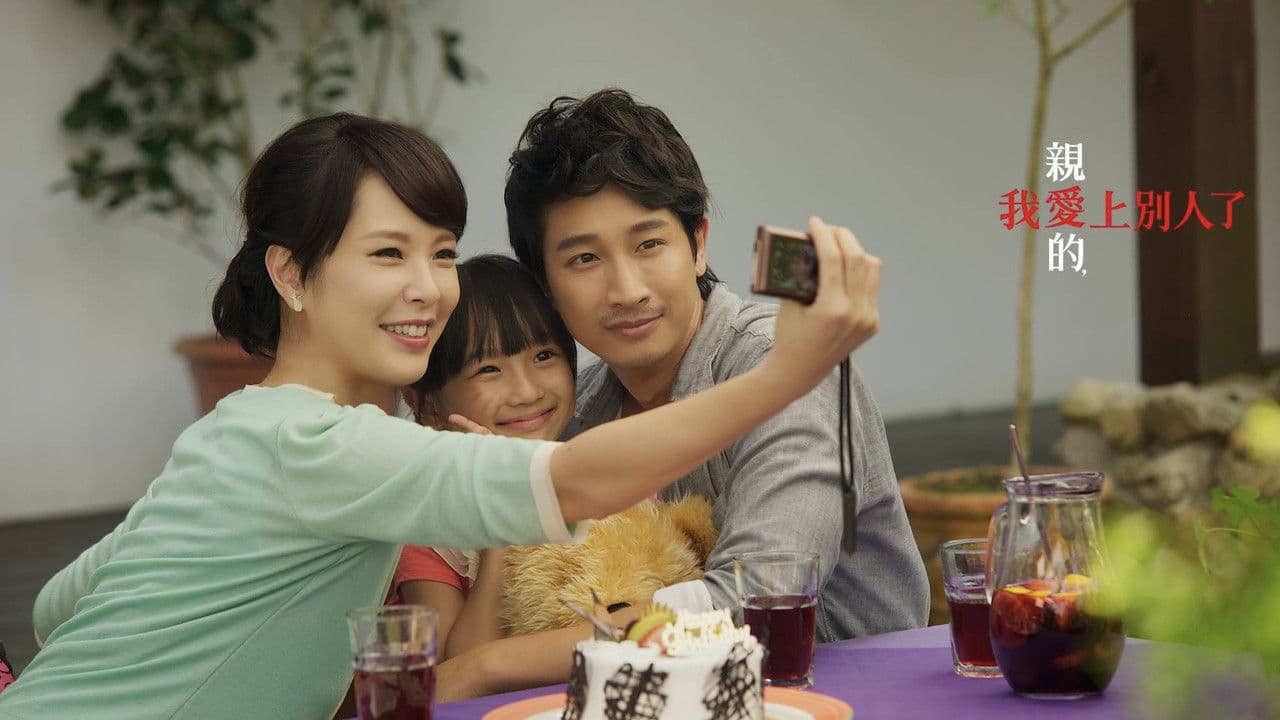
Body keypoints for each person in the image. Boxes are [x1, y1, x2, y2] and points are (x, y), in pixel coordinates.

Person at [0, 112, 881, 720]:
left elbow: (56, 606)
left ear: (698, 240)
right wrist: (794, 368)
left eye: (443, 253)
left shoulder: (232, 432)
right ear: (292, 274)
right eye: (388, 254)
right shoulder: (332, 444)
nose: (427, 288)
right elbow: (578, 482)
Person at [503, 88, 929, 641]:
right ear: (543, 285)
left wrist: (486, 669)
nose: (627, 290)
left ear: (698, 244)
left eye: (648, 244)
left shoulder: (785, 368)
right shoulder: (576, 412)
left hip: (841, 681)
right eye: (585, 258)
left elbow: (763, 600)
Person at [391, 253, 578, 659]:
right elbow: (457, 669)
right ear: (428, 406)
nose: (527, 391)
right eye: (489, 369)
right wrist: (500, 523)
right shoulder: (429, 529)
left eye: (544, 356)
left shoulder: (606, 488)